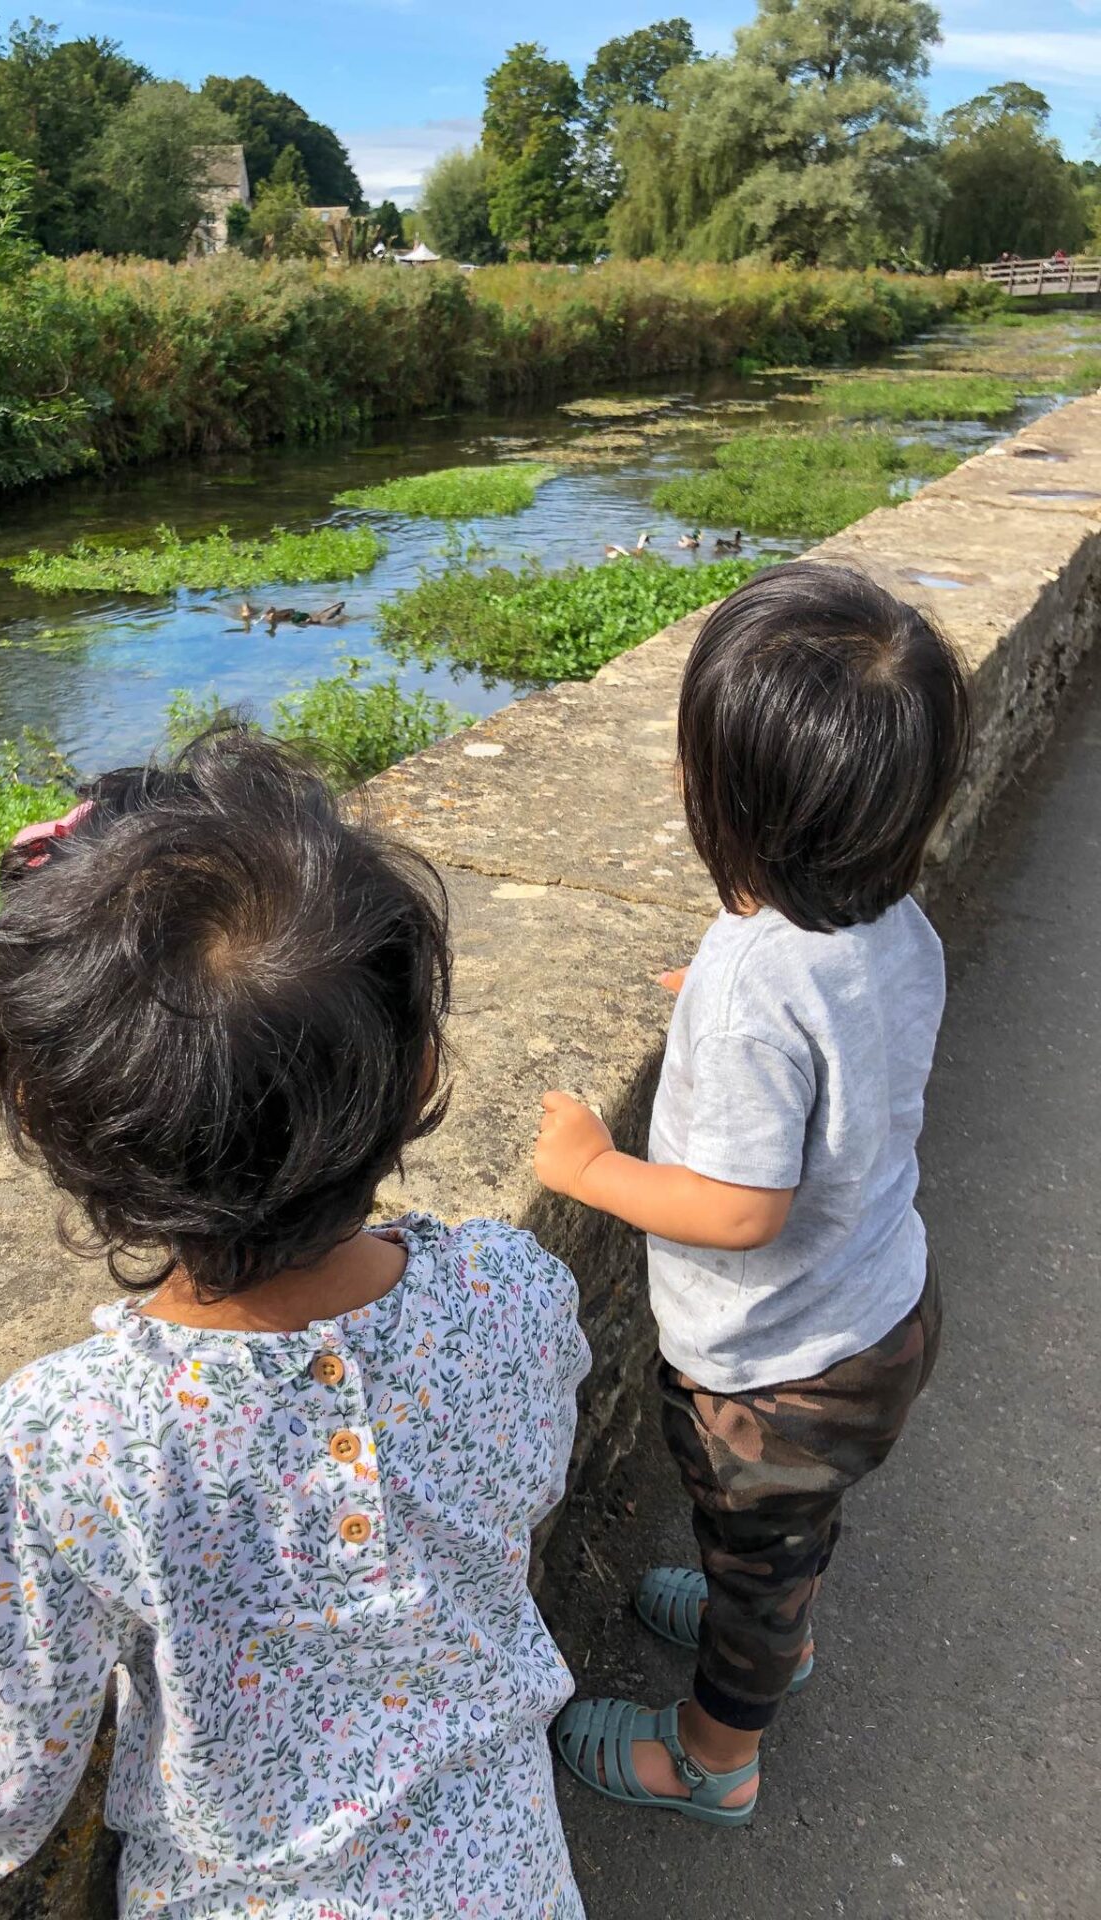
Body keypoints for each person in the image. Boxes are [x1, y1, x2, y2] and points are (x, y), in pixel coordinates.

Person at [0, 729, 590, 1916]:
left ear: (56, 1132)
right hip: (508, 1873)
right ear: (416, 1070)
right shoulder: (511, 1290)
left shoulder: (61, 1449)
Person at [533, 563, 970, 1827]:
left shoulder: (753, 984)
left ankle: (717, 1753)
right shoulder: (891, 920)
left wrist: (591, 1171)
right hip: (887, 1312)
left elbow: (741, 1210)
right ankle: (775, 1613)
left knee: (754, 1544)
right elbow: (844, 1050)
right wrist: (735, 996)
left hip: (776, 1377)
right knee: (788, 1537)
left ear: (727, 800)